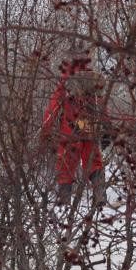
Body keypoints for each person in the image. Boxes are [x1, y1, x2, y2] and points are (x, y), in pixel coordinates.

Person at [40, 55, 112, 206]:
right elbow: (101, 108)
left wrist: (45, 132)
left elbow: (52, 110)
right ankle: (100, 197)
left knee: (65, 165)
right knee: (94, 163)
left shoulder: (65, 84)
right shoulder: (92, 81)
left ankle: (64, 202)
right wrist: (107, 129)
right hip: (89, 129)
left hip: (70, 131)